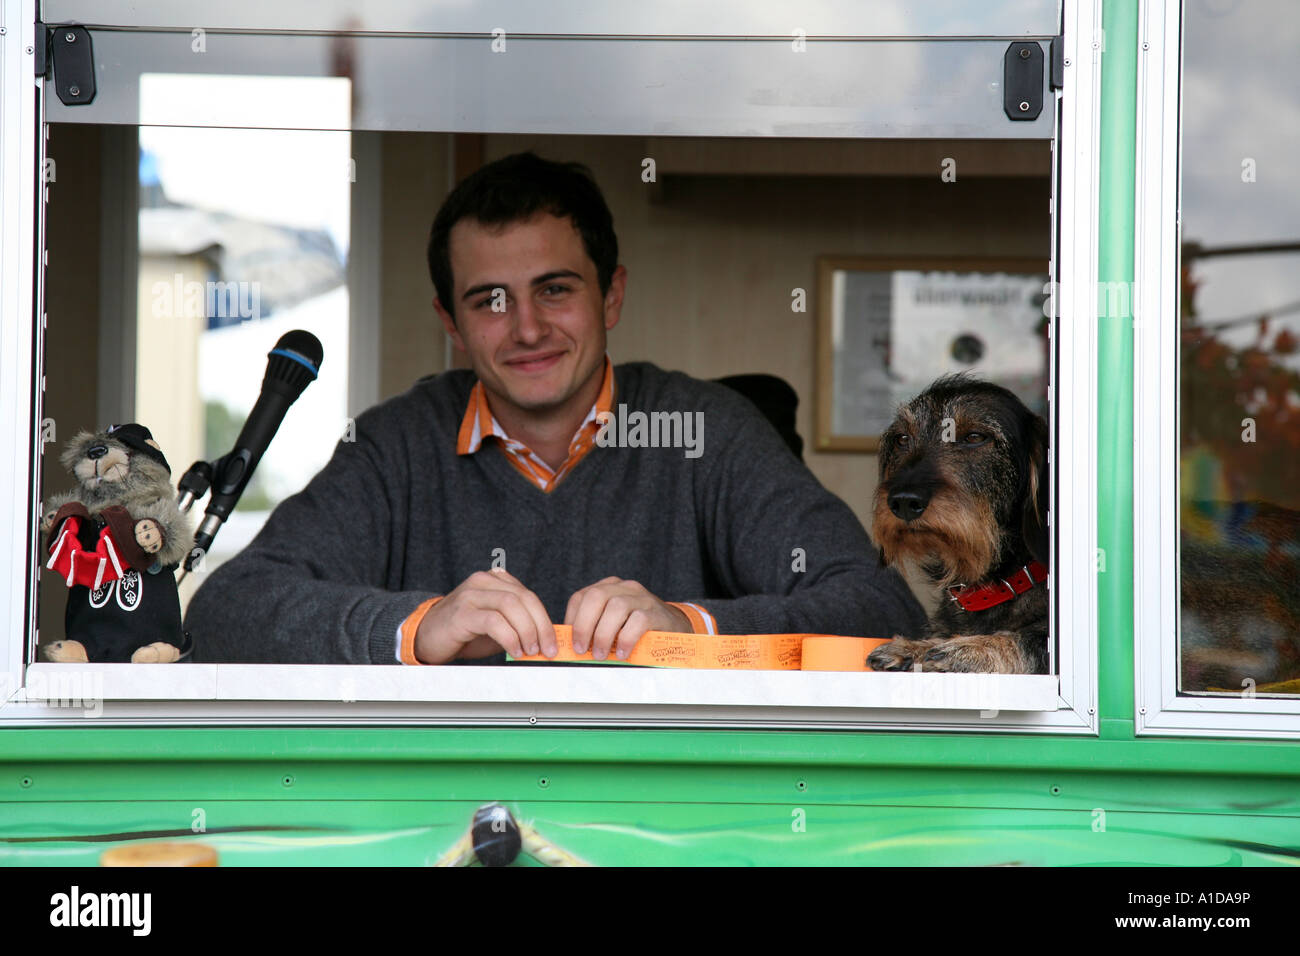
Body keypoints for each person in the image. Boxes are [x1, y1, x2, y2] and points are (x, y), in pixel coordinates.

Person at [184, 151, 926, 664]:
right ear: (452, 323)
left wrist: (688, 628)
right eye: (490, 301)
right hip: (445, 805)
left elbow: (884, 612)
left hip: (669, 814)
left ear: (612, 295)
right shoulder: (395, 445)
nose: (529, 327)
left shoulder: (709, 431)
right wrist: (417, 626)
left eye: (556, 289)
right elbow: (226, 611)